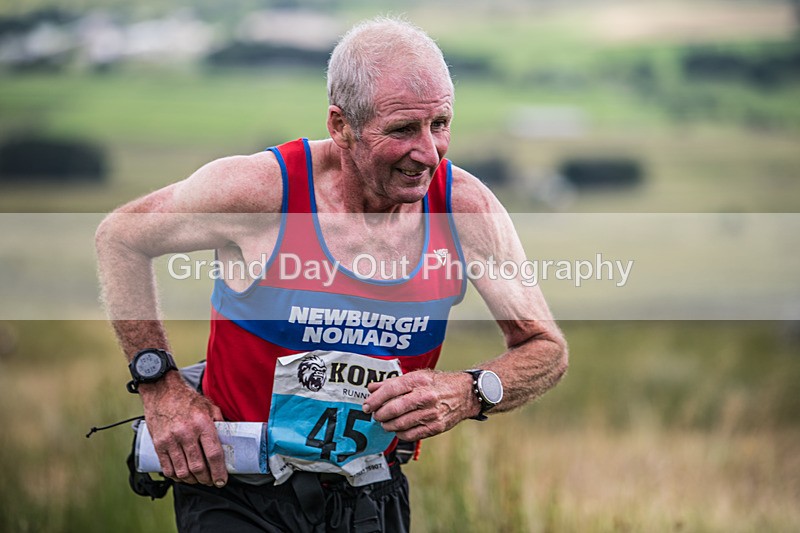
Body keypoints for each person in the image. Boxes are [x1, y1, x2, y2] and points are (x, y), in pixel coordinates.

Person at [95, 16, 567, 533]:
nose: (428, 152)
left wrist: (469, 392)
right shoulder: (260, 192)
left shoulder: (464, 209)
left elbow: (545, 348)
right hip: (237, 493)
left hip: (370, 494)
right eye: (403, 129)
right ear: (341, 126)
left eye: (440, 124)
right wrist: (161, 387)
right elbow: (121, 236)